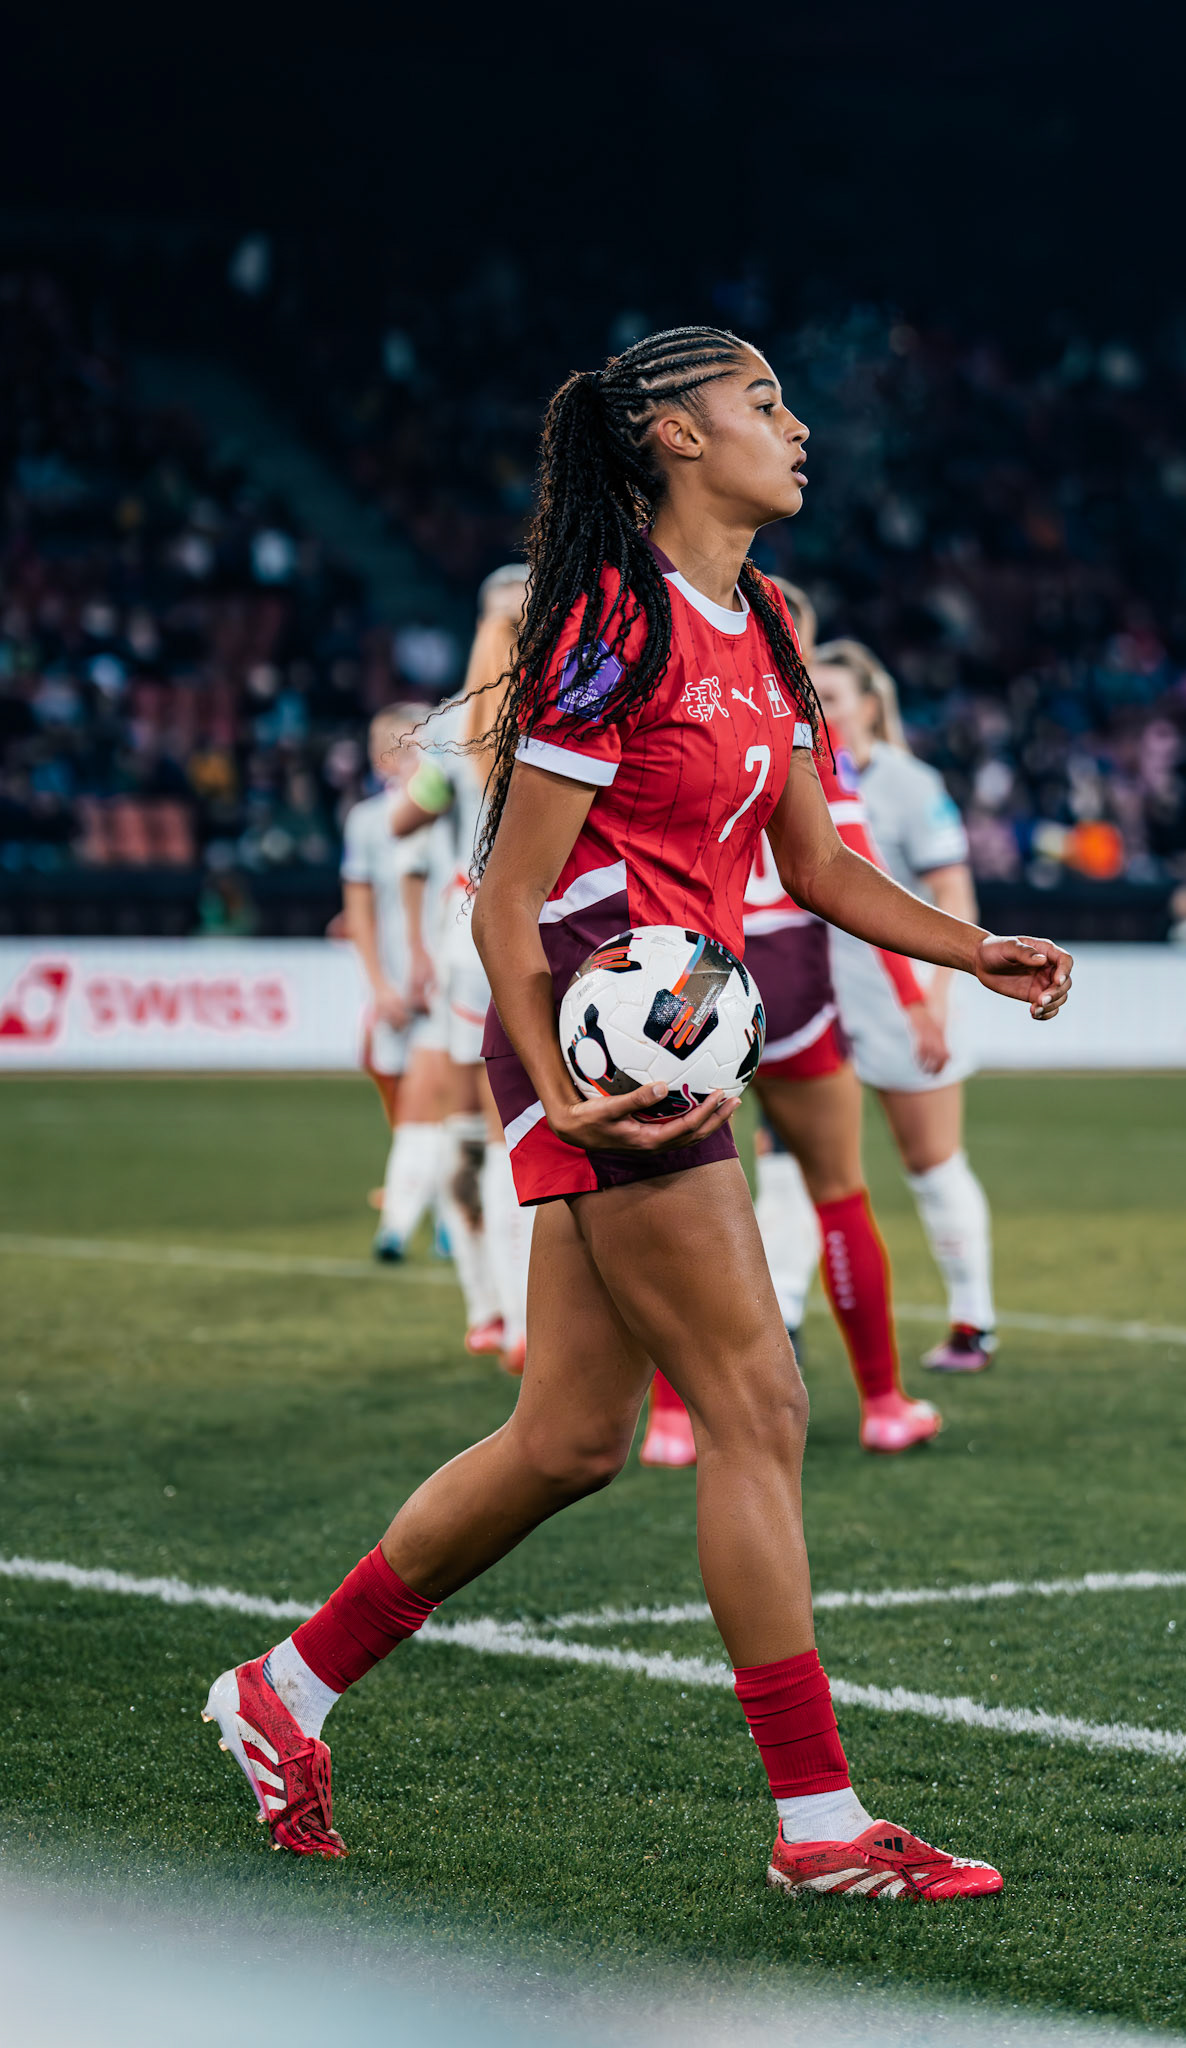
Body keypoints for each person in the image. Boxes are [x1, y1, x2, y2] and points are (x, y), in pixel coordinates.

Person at [202, 325, 1071, 1900]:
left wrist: (975, 947)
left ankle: (283, 1690)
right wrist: (558, 1080)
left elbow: (810, 867)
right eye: (762, 404)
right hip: (602, 1062)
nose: (796, 429)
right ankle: (818, 1830)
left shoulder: (760, 631)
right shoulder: (607, 626)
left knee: (571, 1437)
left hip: (646, 1057)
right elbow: (507, 893)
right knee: (759, 1407)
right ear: (672, 434)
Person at [640, 718, 949, 1465]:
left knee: (676, 1199)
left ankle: (671, 1421)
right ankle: (882, 1405)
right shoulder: (801, 725)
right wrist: (914, 997)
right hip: (790, 974)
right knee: (838, 1192)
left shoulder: (682, 708)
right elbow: (852, 865)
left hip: (699, 975)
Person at [816, 640, 997, 1372]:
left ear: (865, 704)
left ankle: (971, 1321)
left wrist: (936, 993)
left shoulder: (908, 784)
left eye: (831, 696)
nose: (820, 708)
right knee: (800, 1167)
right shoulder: (789, 773)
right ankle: (785, 1325)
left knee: (929, 1161)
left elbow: (952, 889)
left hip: (900, 999)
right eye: (811, 694)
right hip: (810, 998)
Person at [390, 566, 533, 1373]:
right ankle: (528, 1319)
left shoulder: (452, 731)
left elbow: (406, 816)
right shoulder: (561, 698)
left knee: (471, 1133)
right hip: (536, 935)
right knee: (530, 1137)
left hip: (463, 941)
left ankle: (498, 1315)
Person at [341, 706, 482, 1282]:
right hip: (425, 974)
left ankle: (411, 1225)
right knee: (422, 1105)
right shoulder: (380, 816)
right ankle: (443, 1218)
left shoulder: (447, 786)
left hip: (448, 975)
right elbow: (368, 901)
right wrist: (382, 981)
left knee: (441, 1102)